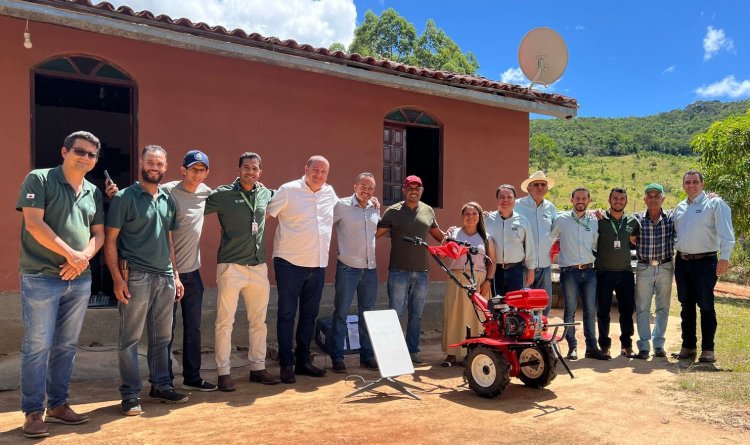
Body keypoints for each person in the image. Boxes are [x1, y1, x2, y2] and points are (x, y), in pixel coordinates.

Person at [16, 131, 105, 438]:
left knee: (66, 346)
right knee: (38, 347)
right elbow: (33, 223)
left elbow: (100, 233)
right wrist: (72, 255)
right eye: (80, 151)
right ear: (64, 150)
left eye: (92, 155)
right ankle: (33, 412)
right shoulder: (39, 179)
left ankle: (58, 405)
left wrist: (84, 258)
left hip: (79, 280)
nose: (86, 158)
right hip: (42, 276)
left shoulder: (93, 191)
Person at [105, 145, 187, 416]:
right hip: (136, 275)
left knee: (162, 338)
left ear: (165, 167)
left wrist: (175, 275)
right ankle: (130, 394)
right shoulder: (124, 198)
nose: (155, 167)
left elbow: (169, 241)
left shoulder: (167, 198)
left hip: (164, 277)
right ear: (141, 163)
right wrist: (117, 279)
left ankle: (162, 385)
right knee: (130, 339)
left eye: (160, 164)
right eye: (150, 162)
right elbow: (111, 241)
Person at [204, 152, 280, 390]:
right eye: (246, 168)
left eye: (255, 168)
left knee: (259, 321)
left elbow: (297, 195)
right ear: (238, 170)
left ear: (260, 172)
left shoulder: (266, 194)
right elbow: (192, 200)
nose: (250, 172)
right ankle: (223, 372)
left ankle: (258, 367)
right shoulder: (221, 194)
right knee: (225, 322)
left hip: (258, 267)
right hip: (231, 266)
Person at [267, 155, 338, 383]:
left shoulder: (330, 193)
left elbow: (344, 207)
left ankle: (303, 361)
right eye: (315, 170)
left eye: (323, 172)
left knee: (310, 315)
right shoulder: (288, 190)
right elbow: (266, 211)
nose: (319, 175)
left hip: (317, 264)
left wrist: (372, 201)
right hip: (289, 263)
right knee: (287, 314)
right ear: (305, 168)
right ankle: (286, 364)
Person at [160, 150, 217, 391]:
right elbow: (139, 192)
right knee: (166, 330)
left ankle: (192, 377)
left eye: (201, 170)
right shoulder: (167, 191)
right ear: (182, 170)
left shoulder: (206, 193)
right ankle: (164, 381)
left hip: (193, 273)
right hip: (169, 273)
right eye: (193, 169)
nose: (197, 174)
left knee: (193, 327)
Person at [376, 175, 445, 366]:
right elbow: (376, 234)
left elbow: (437, 234)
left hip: (421, 273)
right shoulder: (393, 211)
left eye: (417, 188)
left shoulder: (428, 210)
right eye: (410, 188)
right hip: (399, 271)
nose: (413, 191)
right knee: (394, 313)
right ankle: (392, 354)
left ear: (421, 190)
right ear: (404, 190)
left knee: (416, 314)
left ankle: (412, 351)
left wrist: (454, 240)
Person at [672, 170, 735, 363]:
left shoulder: (715, 203)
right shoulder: (680, 207)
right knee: (686, 306)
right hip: (682, 262)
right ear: (683, 186)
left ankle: (708, 350)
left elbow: (727, 233)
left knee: (706, 305)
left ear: (703, 184)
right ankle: (688, 347)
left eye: (695, 182)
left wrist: (724, 257)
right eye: (688, 182)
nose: (691, 185)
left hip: (705, 262)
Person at [329, 172, 381, 374]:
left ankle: (367, 356)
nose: (366, 191)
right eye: (363, 187)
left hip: (370, 270)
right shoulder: (341, 206)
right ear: (355, 186)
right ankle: (337, 357)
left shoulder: (374, 208)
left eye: (370, 189)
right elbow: (325, 225)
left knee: (367, 314)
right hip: (347, 268)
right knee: (340, 312)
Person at [551, 187, 609, 361]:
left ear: (589, 200)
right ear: (571, 200)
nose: (580, 201)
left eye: (584, 198)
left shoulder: (593, 221)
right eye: (577, 198)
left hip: (589, 272)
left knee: (590, 311)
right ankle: (572, 347)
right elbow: (549, 239)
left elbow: (595, 244)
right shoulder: (561, 220)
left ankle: (592, 347)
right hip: (569, 272)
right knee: (569, 310)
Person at [440, 202, 496, 367]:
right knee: (454, 316)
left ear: (479, 216)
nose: (470, 217)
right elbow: (443, 255)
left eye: (474, 214)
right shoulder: (454, 233)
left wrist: (488, 281)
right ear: (462, 216)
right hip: (457, 279)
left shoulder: (486, 237)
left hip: (478, 281)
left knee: (476, 318)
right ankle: (452, 353)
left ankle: (472, 353)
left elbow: (493, 262)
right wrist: (445, 240)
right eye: (467, 214)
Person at [595, 188, 640, 358]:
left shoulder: (633, 221)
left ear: (626, 202)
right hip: (604, 272)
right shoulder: (599, 219)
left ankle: (626, 345)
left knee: (627, 311)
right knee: (603, 311)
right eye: (615, 198)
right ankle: (604, 346)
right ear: (609, 199)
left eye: (622, 199)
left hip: (625, 272)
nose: (618, 201)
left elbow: (636, 241)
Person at [633, 183, 674, 359]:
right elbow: (630, 236)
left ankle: (658, 345)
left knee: (663, 307)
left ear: (663, 198)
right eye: (649, 196)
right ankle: (643, 346)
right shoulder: (636, 219)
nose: (653, 199)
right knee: (642, 308)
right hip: (644, 267)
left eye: (657, 195)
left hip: (665, 266)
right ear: (644, 199)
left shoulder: (671, 218)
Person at [516, 171, 558, 315]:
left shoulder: (551, 208)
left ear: (547, 188)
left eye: (543, 184)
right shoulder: (517, 206)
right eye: (536, 184)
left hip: (545, 264)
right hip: (523, 265)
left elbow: (559, 227)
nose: (540, 187)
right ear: (529, 188)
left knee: (544, 303)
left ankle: (541, 335)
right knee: (523, 304)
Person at [485, 184, 536, 296]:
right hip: (493, 271)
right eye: (502, 197)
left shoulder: (523, 221)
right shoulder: (487, 220)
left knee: (515, 307)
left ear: (514, 199)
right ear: (497, 199)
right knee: (496, 306)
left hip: (516, 271)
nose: (506, 200)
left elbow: (530, 247)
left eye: (509, 197)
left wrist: (531, 270)